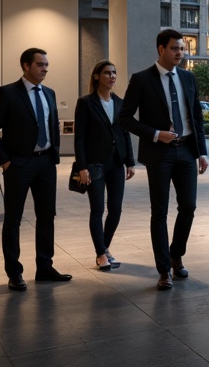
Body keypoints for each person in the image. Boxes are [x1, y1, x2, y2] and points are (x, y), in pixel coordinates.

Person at [121, 29, 208, 292]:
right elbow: (125, 118)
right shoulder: (141, 80)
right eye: (174, 49)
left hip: (186, 151)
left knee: (189, 207)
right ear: (161, 49)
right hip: (160, 153)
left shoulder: (188, 78)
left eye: (182, 49)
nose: (180, 53)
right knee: (159, 212)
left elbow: (196, 116)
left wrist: (201, 151)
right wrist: (157, 135)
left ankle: (176, 255)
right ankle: (163, 270)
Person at [0, 48, 71, 292]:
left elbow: (51, 125)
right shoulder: (7, 93)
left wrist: (54, 154)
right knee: (13, 219)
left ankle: (44, 267)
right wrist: (5, 161)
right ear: (26, 66)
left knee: (46, 217)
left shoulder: (50, 93)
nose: (45, 68)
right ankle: (14, 272)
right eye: (40, 64)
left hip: (45, 164)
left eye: (47, 64)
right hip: (18, 164)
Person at [74, 60, 136, 271]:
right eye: (108, 73)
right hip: (95, 164)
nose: (112, 76)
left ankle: (104, 246)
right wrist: (82, 166)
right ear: (96, 76)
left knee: (116, 209)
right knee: (97, 209)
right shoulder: (86, 103)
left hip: (117, 162)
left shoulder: (119, 102)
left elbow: (124, 132)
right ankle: (101, 254)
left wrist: (130, 161)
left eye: (114, 73)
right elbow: (79, 138)